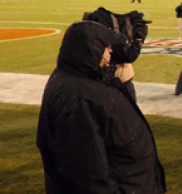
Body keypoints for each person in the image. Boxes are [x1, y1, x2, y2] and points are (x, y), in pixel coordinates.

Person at [37, 21, 166, 194]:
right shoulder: (78, 97)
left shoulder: (82, 82)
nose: (110, 50)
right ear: (91, 49)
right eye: (106, 46)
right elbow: (86, 171)